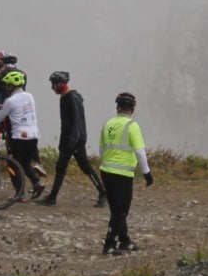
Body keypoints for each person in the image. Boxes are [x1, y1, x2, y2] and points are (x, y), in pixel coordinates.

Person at [37, 71, 107, 208]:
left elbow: (77, 122)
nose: (52, 88)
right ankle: (52, 197)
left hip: (75, 140)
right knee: (61, 167)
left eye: (54, 84)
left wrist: (72, 143)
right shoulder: (64, 97)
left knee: (85, 167)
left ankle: (103, 192)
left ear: (61, 84)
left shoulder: (72, 98)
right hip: (69, 140)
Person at [98, 92, 153, 255]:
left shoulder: (107, 123)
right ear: (132, 109)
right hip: (122, 174)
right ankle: (109, 244)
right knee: (121, 211)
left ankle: (124, 240)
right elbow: (140, 152)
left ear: (118, 107)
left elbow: (101, 149)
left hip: (106, 171)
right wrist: (147, 173)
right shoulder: (132, 126)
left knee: (116, 209)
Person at [0, 69, 44, 200]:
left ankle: (20, 193)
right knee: (25, 163)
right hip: (34, 136)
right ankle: (37, 182)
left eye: (8, 85)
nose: (6, 88)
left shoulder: (10, 101)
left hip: (18, 137)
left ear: (11, 86)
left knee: (12, 165)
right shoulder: (30, 96)